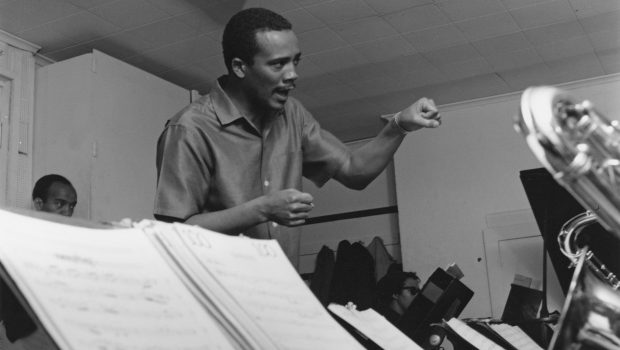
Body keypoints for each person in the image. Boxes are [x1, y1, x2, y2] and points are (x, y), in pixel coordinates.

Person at [154, 7, 442, 267]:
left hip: (283, 291)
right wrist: (263, 208)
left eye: (295, 61)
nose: (293, 74)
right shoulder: (189, 129)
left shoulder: (292, 114)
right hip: (218, 299)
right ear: (240, 67)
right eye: (278, 64)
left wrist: (398, 126)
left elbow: (355, 171)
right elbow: (174, 233)